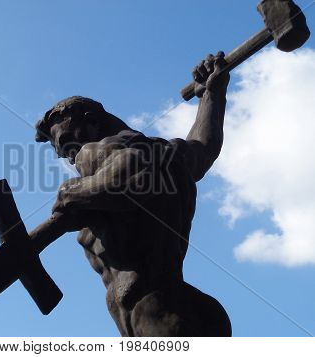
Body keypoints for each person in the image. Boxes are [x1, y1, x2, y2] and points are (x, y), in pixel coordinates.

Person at [34, 52, 232, 336]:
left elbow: (126, 183)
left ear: (92, 120)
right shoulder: (166, 153)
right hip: (177, 306)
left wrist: (70, 193)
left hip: (154, 313)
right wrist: (213, 94)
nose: (68, 157)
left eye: (67, 143)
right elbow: (203, 148)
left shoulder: (103, 152)